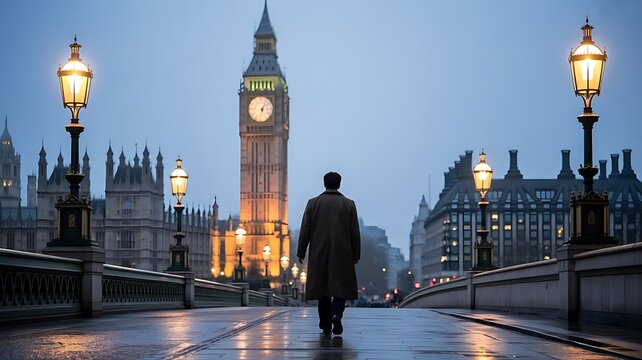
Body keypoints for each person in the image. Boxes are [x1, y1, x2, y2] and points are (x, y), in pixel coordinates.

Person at [297, 171, 361, 336]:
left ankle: (325, 323)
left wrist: (301, 251)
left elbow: (305, 230)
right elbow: (355, 232)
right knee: (341, 286)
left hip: (319, 251)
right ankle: (336, 314)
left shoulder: (312, 203)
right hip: (342, 253)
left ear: (324, 184)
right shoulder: (349, 204)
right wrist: (356, 253)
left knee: (322, 288)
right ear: (339, 184)